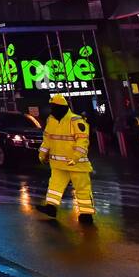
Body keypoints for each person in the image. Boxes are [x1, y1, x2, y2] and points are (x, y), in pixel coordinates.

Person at [36, 93, 95, 224]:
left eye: (54, 107)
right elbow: (47, 140)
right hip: (58, 164)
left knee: (82, 189)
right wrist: (42, 154)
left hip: (77, 164)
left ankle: (86, 214)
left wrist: (75, 157)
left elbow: (82, 142)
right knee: (54, 186)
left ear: (62, 107)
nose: (52, 110)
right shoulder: (51, 120)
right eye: (51, 107)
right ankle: (51, 207)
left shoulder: (76, 120)